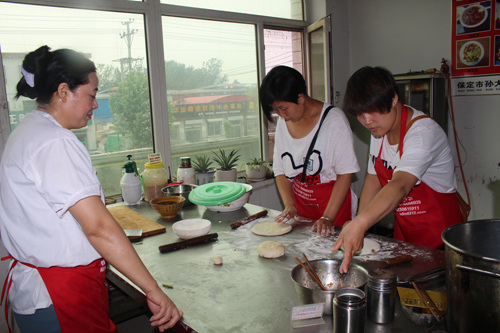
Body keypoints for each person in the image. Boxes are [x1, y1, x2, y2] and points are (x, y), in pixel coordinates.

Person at [0, 45, 182, 333]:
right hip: (61, 295)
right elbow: (97, 227)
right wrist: (153, 289)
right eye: (93, 94)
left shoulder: (28, 131)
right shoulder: (54, 142)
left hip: (43, 291)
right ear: (63, 92)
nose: (96, 105)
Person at [333, 66, 464, 273]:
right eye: (360, 114)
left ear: (393, 99)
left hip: (439, 238)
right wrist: (360, 222)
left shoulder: (422, 133)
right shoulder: (379, 130)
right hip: (405, 234)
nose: (367, 122)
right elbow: (374, 178)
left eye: (373, 111)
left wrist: (360, 223)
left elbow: (401, 185)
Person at [260, 66, 359, 237]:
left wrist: (327, 216)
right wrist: (290, 205)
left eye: (283, 109)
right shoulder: (284, 122)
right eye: (276, 111)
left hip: (334, 208)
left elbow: (345, 174)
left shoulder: (334, 121)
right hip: (302, 206)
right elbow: (280, 170)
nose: (281, 115)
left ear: (300, 97)